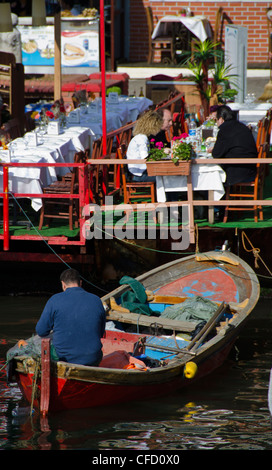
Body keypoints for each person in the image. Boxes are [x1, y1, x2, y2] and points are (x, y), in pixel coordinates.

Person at [36, 268, 106, 366]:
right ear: (80, 283)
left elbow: (41, 331)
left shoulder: (54, 300)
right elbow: (101, 333)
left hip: (64, 359)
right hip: (93, 359)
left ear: (63, 284)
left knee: (41, 345)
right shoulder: (96, 300)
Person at [212, 105, 257, 187]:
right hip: (251, 169)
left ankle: (210, 197)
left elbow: (216, 154)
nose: (217, 123)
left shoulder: (224, 130)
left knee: (212, 172)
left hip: (238, 172)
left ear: (221, 119)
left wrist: (213, 149)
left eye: (216, 120)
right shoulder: (242, 126)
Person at [126, 109, 163, 182]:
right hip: (139, 174)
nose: (159, 130)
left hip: (138, 172)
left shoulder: (140, 137)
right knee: (164, 177)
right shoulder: (142, 139)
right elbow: (145, 157)